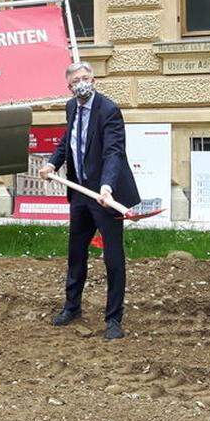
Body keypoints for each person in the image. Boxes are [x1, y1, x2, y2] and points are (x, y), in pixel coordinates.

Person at [39, 62, 140, 341]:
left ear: (93, 79)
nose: (82, 83)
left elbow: (114, 152)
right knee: (76, 253)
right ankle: (72, 307)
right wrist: (51, 164)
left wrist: (107, 187)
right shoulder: (72, 107)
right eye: (76, 81)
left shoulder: (108, 110)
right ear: (69, 87)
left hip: (105, 195)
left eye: (86, 78)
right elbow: (67, 142)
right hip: (81, 194)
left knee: (113, 258)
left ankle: (114, 320)